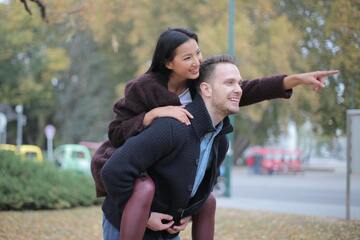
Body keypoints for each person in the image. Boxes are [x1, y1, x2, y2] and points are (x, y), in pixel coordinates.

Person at [91, 28, 338, 239]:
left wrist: (294, 80)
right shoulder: (144, 89)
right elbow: (116, 133)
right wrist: (152, 115)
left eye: (198, 53)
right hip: (128, 166)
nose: (197, 62)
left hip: (163, 198)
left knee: (206, 200)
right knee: (143, 187)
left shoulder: (198, 86)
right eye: (187, 57)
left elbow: (248, 89)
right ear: (168, 62)